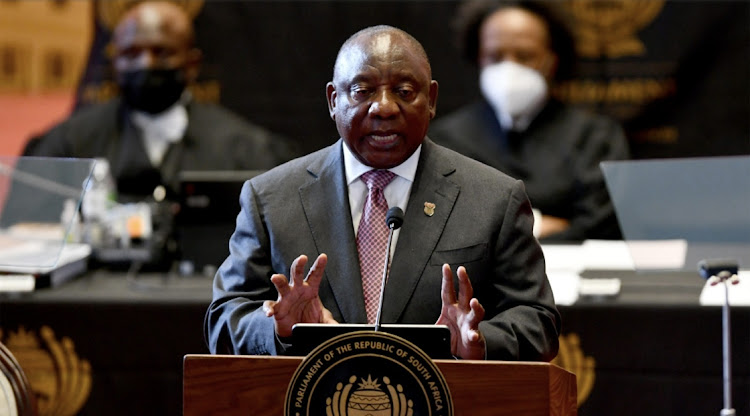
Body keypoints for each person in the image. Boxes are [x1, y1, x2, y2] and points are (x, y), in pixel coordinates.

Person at [205, 25, 560, 361]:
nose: (385, 108)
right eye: (363, 91)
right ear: (333, 100)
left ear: (431, 99)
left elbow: (538, 321)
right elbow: (224, 318)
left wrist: (478, 343)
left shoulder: (494, 198)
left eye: (404, 92)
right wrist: (280, 330)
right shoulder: (269, 197)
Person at [23, 1, 296, 202]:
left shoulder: (246, 150)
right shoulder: (68, 145)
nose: (146, 63)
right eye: (132, 53)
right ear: (115, 62)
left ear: (192, 64)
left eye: (162, 52)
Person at [429, 0, 630, 241]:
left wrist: (501, 229)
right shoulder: (446, 140)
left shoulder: (596, 137)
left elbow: (601, 224)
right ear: (479, 58)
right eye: (495, 56)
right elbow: (442, 223)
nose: (509, 69)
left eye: (525, 56)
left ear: (552, 60)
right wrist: (543, 225)